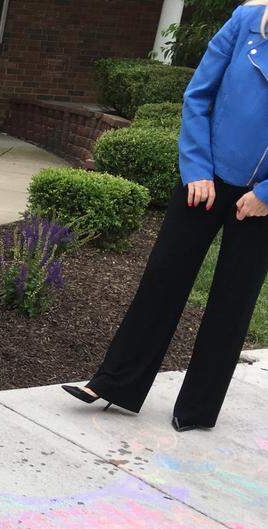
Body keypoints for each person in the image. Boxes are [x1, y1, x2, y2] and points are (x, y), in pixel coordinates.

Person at [62, 0, 268, 430]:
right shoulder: (246, 21)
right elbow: (198, 95)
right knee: (163, 277)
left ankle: (197, 410)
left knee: (233, 300)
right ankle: (114, 383)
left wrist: (266, 194)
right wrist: (197, 169)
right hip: (205, 177)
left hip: (262, 200)